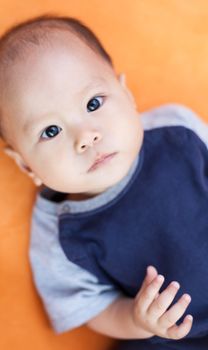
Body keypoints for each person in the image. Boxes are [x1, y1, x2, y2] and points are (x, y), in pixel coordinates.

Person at [1, 14, 208, 350]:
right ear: (26, 164)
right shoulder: (58, 231)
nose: (86, 137)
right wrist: (136, 320)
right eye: (51, 131)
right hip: (172, 339)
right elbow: (91, 308)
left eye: (93, 103)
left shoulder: (177, 132)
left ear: (126, 94)